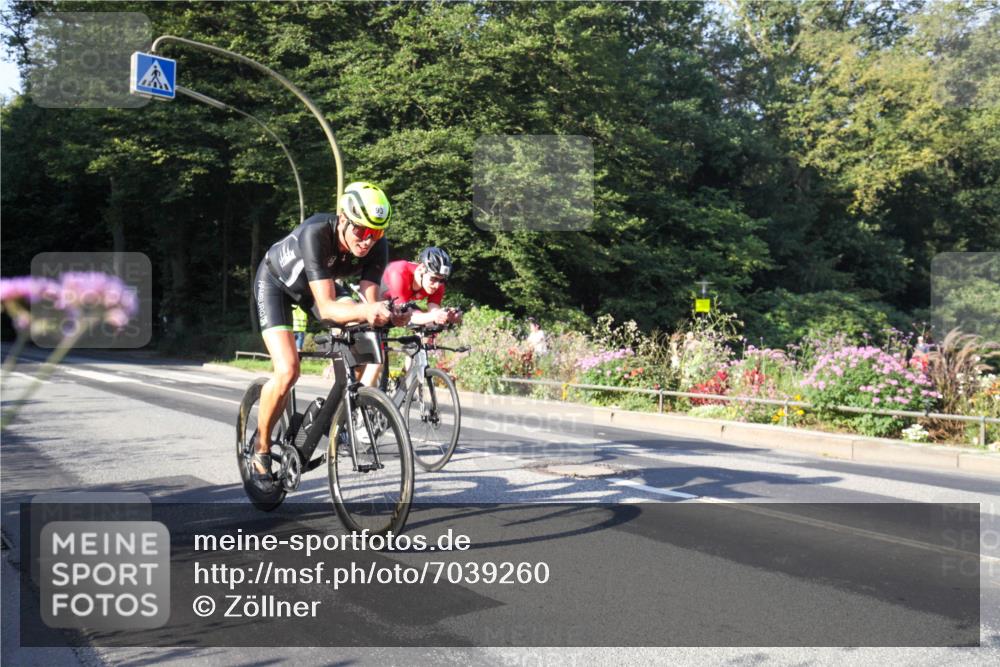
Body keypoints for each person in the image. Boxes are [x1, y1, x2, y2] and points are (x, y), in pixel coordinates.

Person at [251, 181, 409, 489]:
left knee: (363, 333)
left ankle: (336, 411)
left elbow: (368, 300)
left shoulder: (377, 244)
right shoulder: (316, 234)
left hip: (314, 285)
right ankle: (261, 449)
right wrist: (367, 312)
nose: (367, 241)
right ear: (342, 218)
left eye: (376, 233)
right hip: (276, 285)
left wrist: (392, 314)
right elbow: (325, 307)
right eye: (361, 231)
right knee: (288, 370)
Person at [380, 247, 463, 327]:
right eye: (433, 278)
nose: (437, 285)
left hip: (396, 306)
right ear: (421, 269)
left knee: (429, 327)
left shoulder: (438, 284)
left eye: (442, 280)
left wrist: (446, 316)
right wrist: (434, 316)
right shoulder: (399, 272)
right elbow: (403, 314)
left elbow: (434, 312)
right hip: (373, 302)